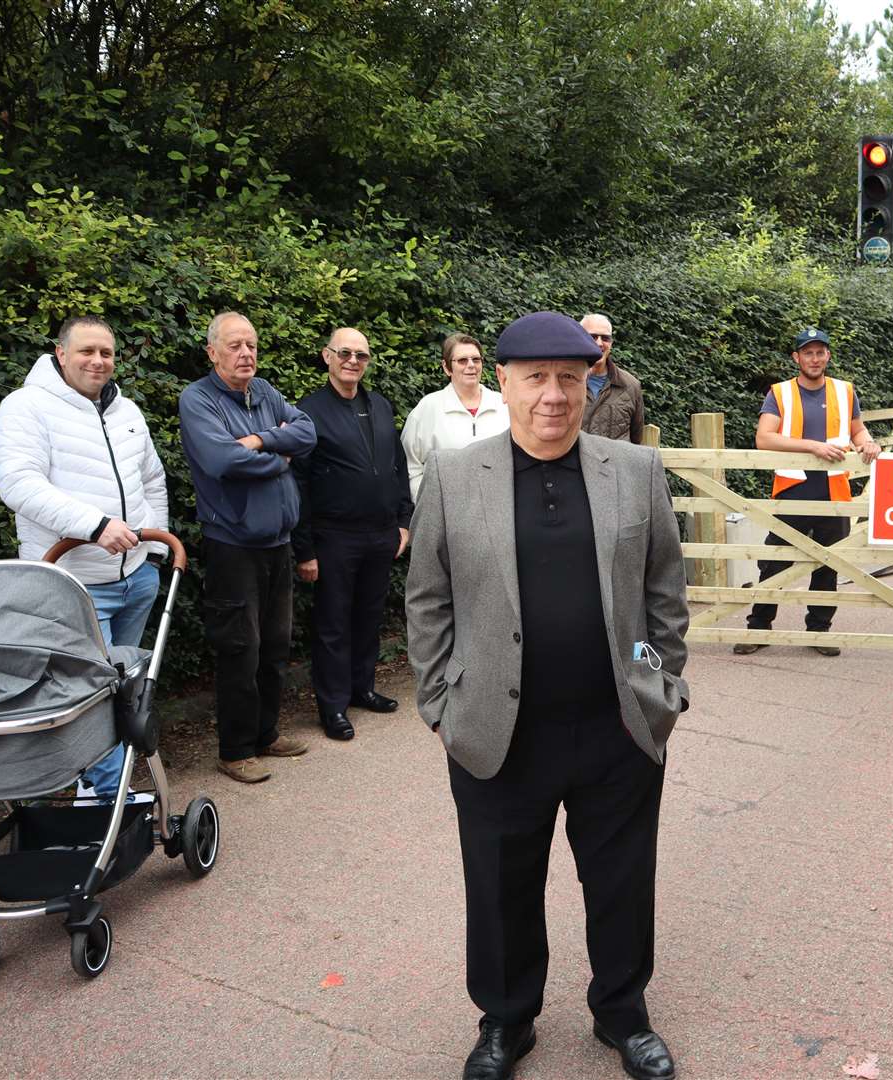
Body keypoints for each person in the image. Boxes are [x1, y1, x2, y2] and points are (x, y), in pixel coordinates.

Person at [405, 311, 689, 1080]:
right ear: (504, 381)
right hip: (498, 730)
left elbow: (662, 592)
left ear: (589, 380)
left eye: (570, 378)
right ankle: (505, 1020)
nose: (554, 397)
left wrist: (656, 679)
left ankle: (623, 1014)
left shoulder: (633, 470)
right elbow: (428, 598)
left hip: (617, 726)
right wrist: (440, 700)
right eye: (536, 379)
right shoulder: (458, 475)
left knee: (623, 882)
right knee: (499, 886)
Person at [0, 316, 168, 797]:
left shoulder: (126, 410)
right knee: (91, 694)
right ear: (60, 353)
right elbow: (19, 484)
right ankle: (106, 793)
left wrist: (155, 546)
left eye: (106, 353)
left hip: (136, 578)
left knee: (124, 690)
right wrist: (93, 526)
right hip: (74, 584)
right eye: (87, 351)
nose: (98, 361)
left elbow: (152, 479)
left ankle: (104, 785)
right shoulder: (26, 407)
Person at [179, 311, 317, 784]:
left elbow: (307, 432)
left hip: (277, 542)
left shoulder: (265, 393)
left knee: (276, 644)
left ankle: (266, 734)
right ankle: (235, 749)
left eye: (252, 345)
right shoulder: (197, 400)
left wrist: (260, 440)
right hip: (232, 544)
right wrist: (279, 458)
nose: (246, 354)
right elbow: (222, 460)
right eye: (235, 345)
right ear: (212, 352)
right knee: (241, 646)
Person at [292, 327, 414, 741]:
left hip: (381, 533)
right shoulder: (307, 412)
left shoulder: (379, 405)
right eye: (344, 353)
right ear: (327, 356)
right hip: (334, 536)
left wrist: (403, 521)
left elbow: (397, 466)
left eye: (361, 355)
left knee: (368, 617)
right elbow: (299, 483)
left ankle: (362, 688)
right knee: (333, 624)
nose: (353, 361)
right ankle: (332, 705)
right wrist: (304, 547)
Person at [734, 326, 881, 657]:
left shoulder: (845, 391)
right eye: (808, 353)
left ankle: (819, 631)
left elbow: (858, 432)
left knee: (829, 564)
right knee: (774, 563)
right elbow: (764, 438)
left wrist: (868, 443)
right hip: (794, 490)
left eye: (820, 352)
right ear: (796, 358)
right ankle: (758, 627)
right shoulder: (780, 393)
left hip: (836, 492)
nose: (815, 358)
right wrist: (814, 447)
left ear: (828, 355)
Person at [401, 333, 511, 501]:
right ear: (446, 367)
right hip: (447, 514)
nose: (471, 365)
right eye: (462, 360)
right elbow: (410, 466)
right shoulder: (428, 408)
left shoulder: (503, 404)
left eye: (476, 359)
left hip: (498, 508)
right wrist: (429, 503)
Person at [579, 312, 645, 443]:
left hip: (617, 463)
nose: (599, 343)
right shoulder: (566, 381)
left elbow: (636, 438)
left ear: (611, 343)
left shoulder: (630, 385)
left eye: (605, 338)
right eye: (592, 337)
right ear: (580, 339)